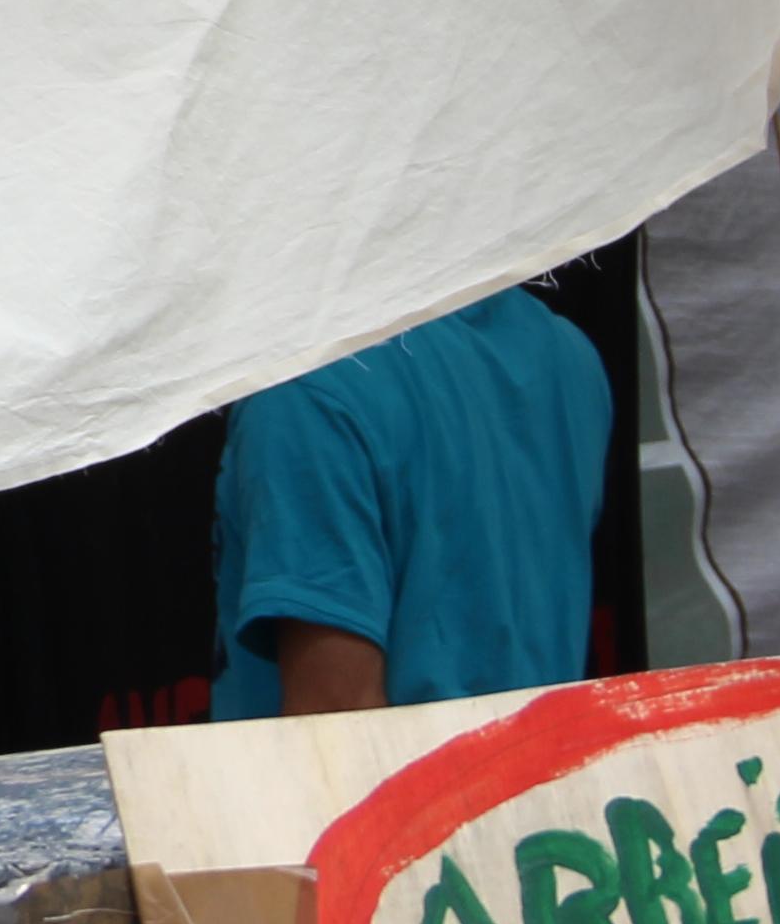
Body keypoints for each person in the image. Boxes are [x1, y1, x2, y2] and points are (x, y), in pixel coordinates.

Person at [207, 281, 613, 718]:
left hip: (384, 780)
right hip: (540, 774)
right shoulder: (568, 356)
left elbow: (336, 721)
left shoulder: (306, 383)